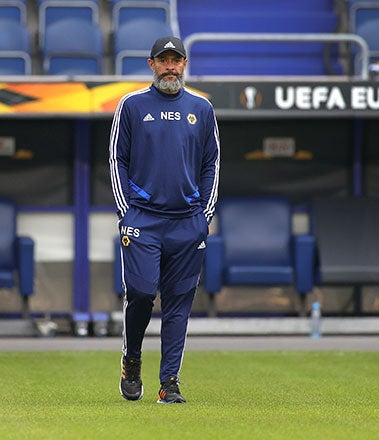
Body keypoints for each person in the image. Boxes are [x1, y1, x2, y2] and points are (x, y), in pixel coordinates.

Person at [109, 36, 220, 404]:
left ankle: (169, 382)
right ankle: (132, 358)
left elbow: (211, 164)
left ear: (184, 64)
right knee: (140, 294)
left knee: (178, 303)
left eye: (176, 60)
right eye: (164, 60)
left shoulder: (202, 109)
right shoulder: (131, 105)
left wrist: (204, 215)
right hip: (143, 219)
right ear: (151, 64)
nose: (170, 66)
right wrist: (126, 212)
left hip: (188, 222)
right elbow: (117, 159)